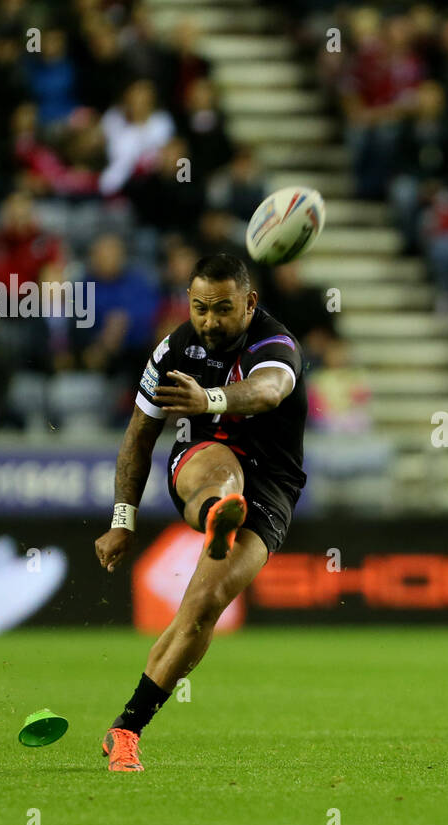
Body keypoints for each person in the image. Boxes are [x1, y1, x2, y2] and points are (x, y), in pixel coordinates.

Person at [93, 254, 306, 771]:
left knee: (203, 608)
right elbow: (138, 439)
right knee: (220, 472)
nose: (209, 321)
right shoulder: (173, 350)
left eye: (223, 309)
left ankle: (125, 729)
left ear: (250, 303)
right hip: (203, 458)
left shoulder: (275, 344)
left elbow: (268, 390)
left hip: (273, 485)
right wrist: (123, 520)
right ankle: (216, 514)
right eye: (199, 308)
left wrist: (209, 397)